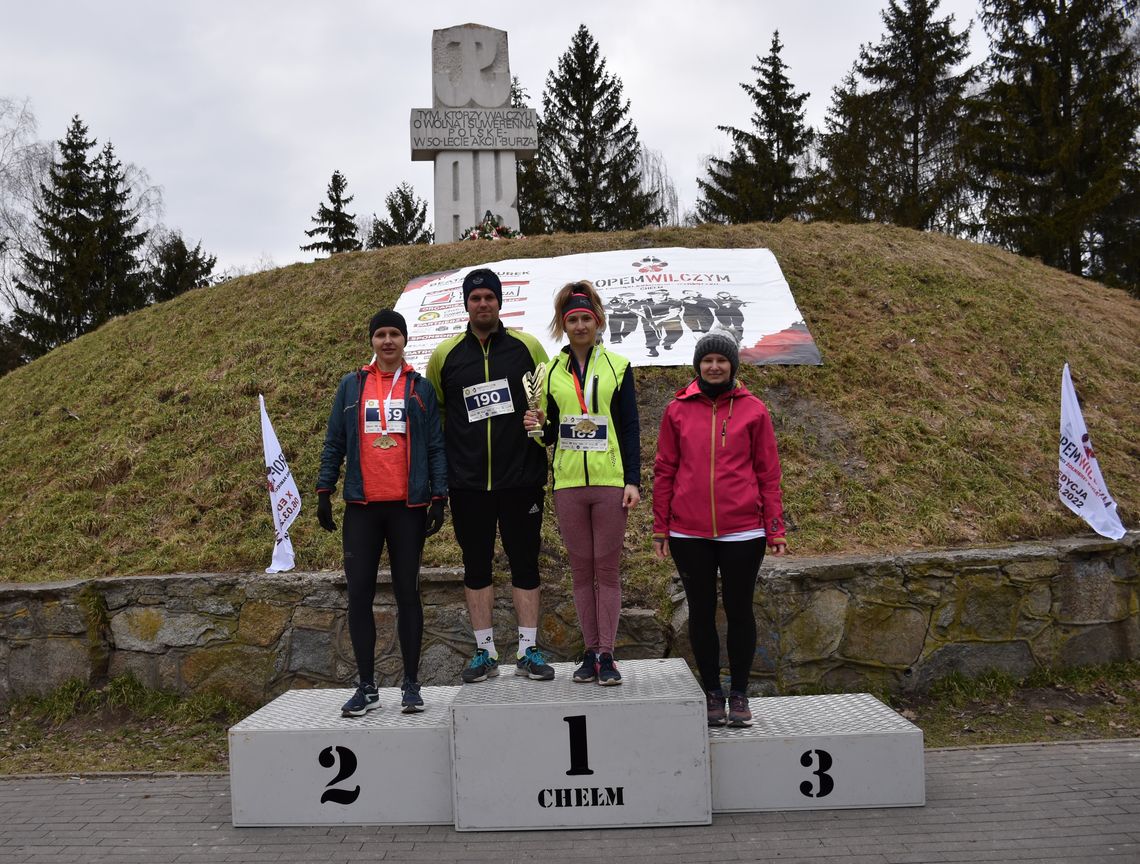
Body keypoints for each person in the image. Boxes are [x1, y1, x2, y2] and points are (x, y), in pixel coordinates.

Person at [651, 326, 788, 727]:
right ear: (698, 365)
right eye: (707, 360)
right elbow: (665, 471)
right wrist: (661, 527)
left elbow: (768, 473)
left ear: (732, 365)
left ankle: (740, 693)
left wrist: (774, 527)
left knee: (740, 609)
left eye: (721, 360)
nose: (714, 366)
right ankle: (712, 692)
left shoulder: (754, 410)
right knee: (701, 611)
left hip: (743, 531)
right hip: (688, 532)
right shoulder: (677, 409)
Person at [425, 268, 555, 683]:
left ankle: (528, 649)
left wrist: (541, 425)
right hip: (469, 485)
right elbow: (438, 416)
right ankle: (484, 653)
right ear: (466, 303)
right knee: (475, 566)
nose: (483, 304)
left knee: (525, 564)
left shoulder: (528, 346)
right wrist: (444, 476)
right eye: (476, 297)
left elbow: (549, 400)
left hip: (521, 479)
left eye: (490, 297)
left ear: (500, 302)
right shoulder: (445, 355)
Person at [316, 309, 447, 718]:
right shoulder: (351, 386)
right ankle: (367, 685)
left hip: (407, 507)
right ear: (372, 341)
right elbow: (335, 440)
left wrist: (439, 497)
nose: (387, 341)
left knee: (408, 594)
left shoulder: (419, 388)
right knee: (359, 597)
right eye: (380, 335)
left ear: (404, 340)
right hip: (362, 507)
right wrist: (324, 489)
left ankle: (411, 684)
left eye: (394, 334)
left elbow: (436, 447)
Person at [524, 281, 640, 685]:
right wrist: (539, 427)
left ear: (597, 321)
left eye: (585, 319)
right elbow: (552, 432)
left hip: (609, 482)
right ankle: (589, 652)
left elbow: (629, 428)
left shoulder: (618, 366)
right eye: (571, 320)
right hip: (569, 484)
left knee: (606, 571)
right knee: (579, 571)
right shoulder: (551, 371)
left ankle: (607, 655)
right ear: (563, 324)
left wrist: (633, 480)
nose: (578, 326)